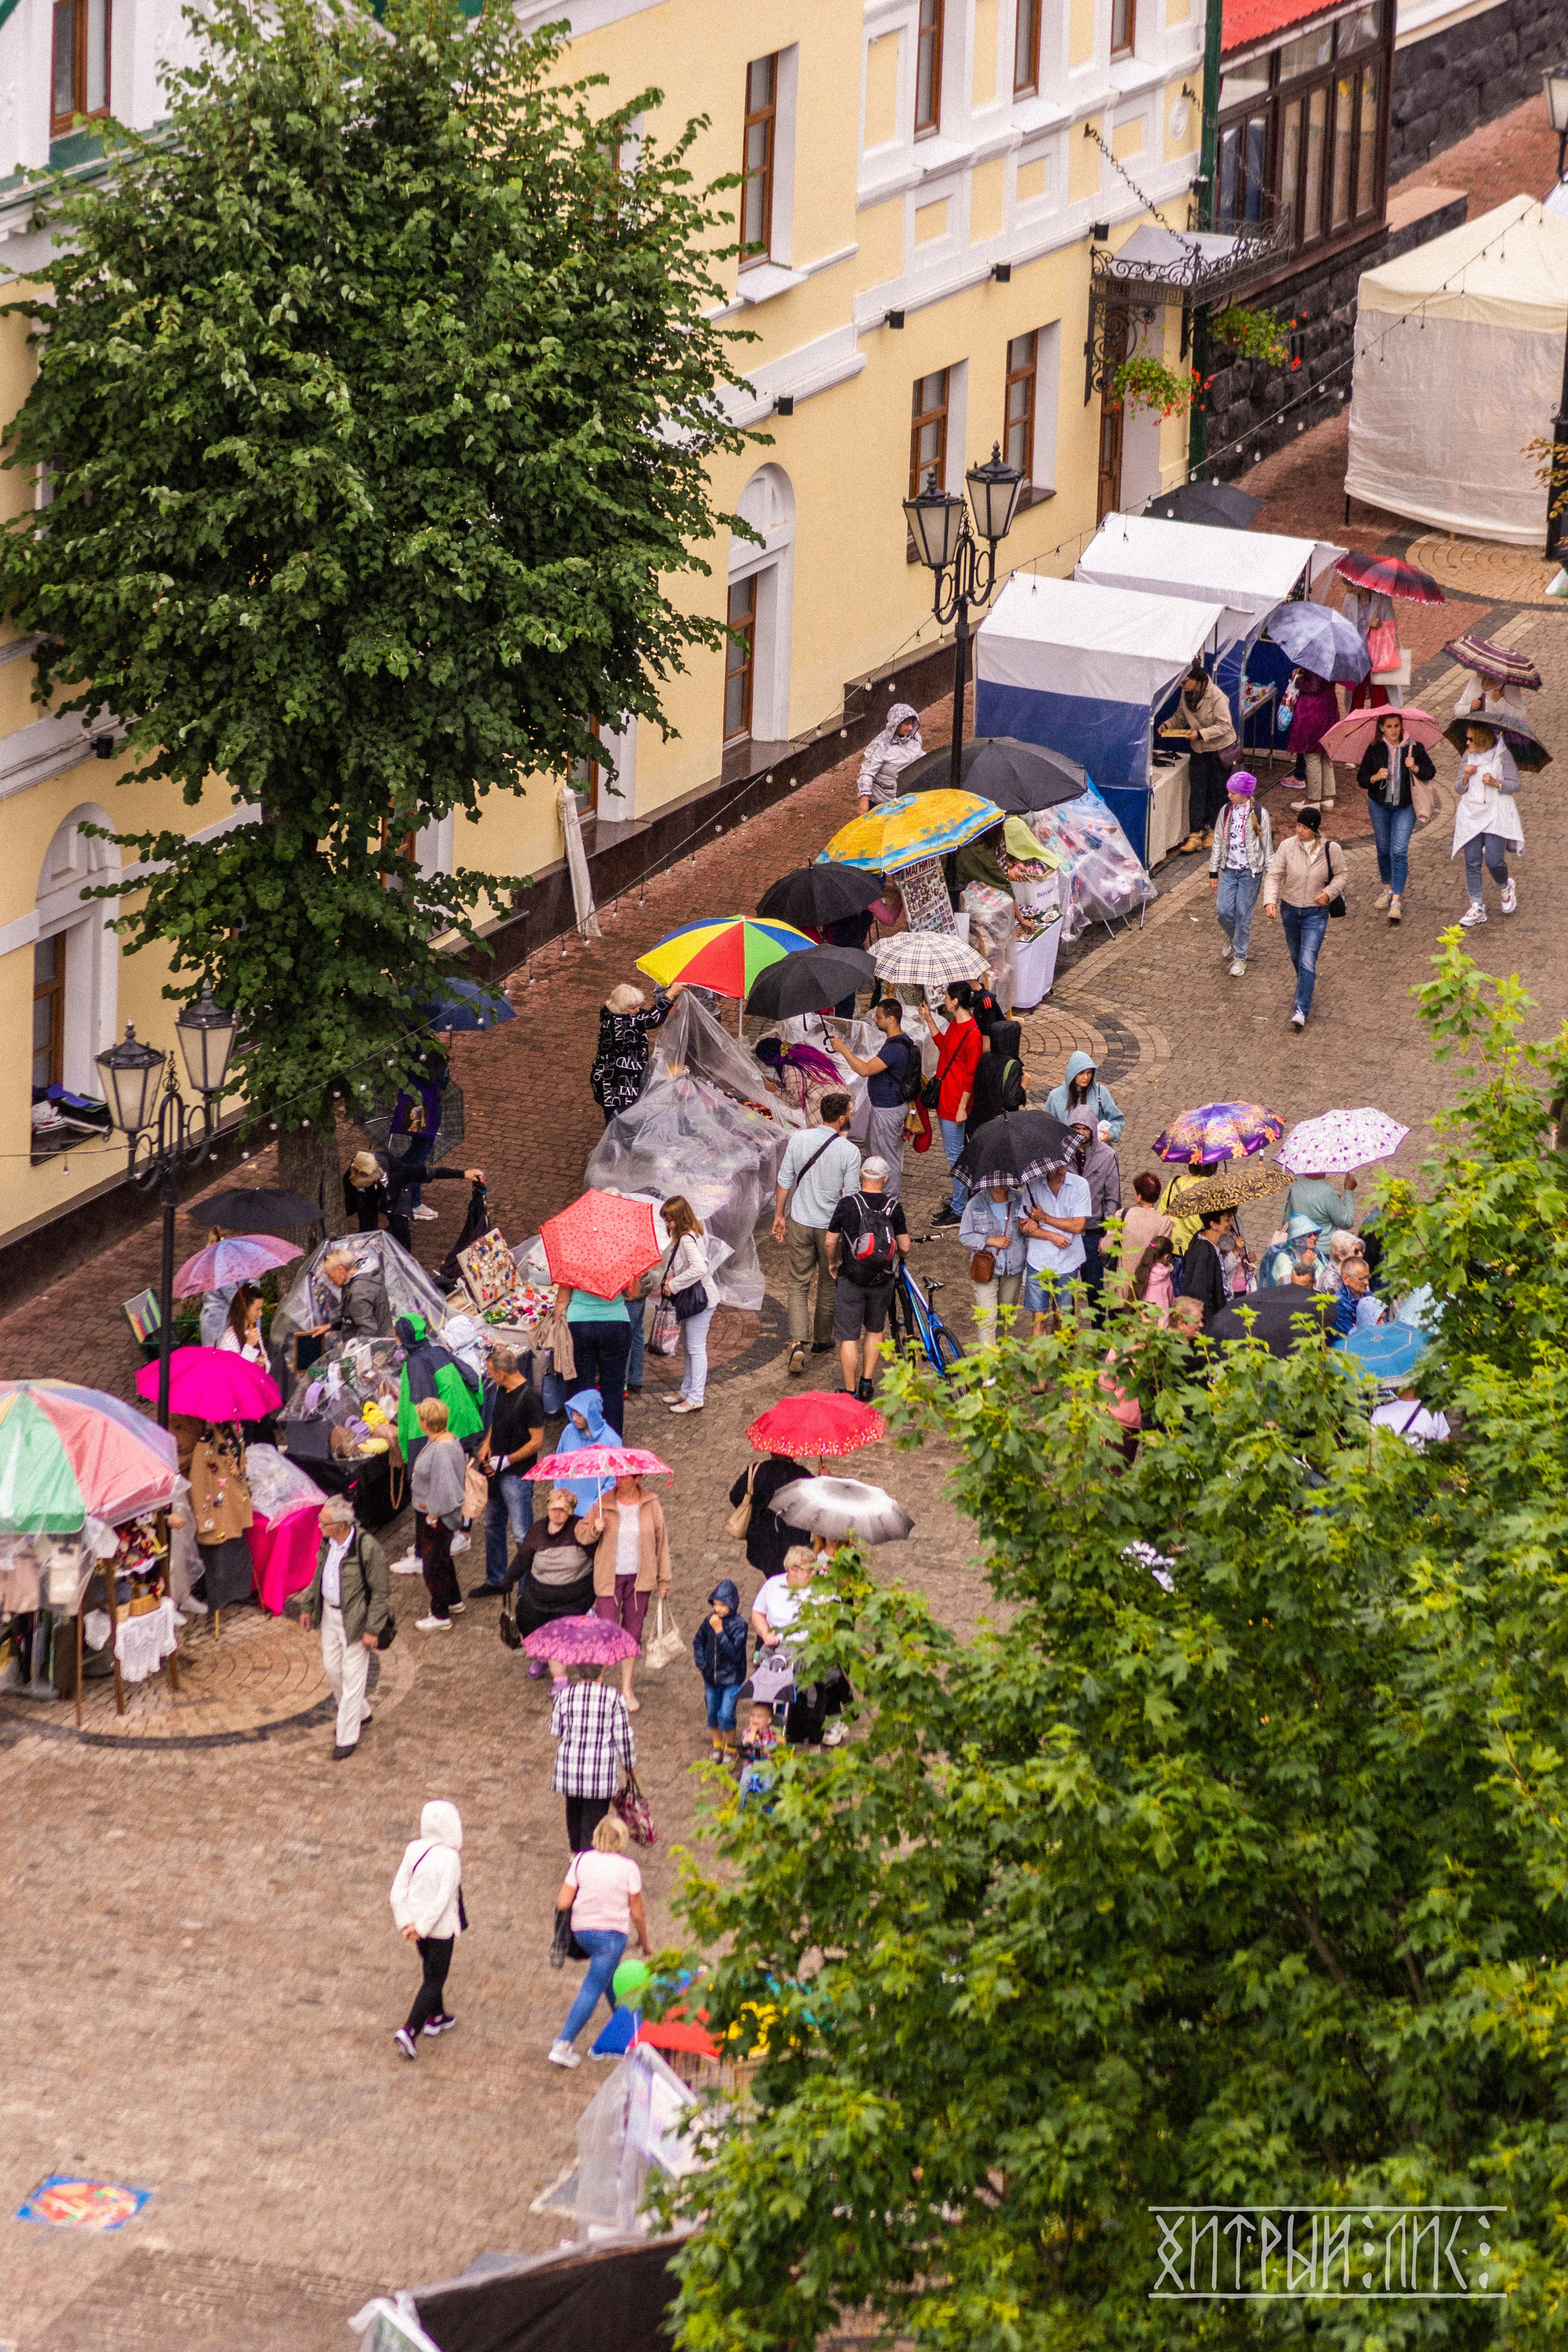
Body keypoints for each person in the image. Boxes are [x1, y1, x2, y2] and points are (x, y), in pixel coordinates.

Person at [548, 1814, 651, 2070]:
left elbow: (563, 1902)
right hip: (612, 1938)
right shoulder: (629, 1868)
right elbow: (637, 1912)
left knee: (608, 1977)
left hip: (582, 1933)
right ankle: (563, 2044)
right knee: (593, 1987)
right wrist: (644, 1941)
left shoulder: (581, 1860)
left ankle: (629, 2029)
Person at [772, 1092, 862, 1376]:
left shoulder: (799, 1139)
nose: (852, 1115)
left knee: (798, 1284)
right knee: (829, 1282)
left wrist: (779, 1216)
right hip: (830, 1228)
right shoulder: (850, 1152)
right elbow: (852, 1197)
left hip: (799, 1221)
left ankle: (798, 1342)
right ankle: (822, 1341)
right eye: (850, 1111)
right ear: (841, 1118)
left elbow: (785, 1180)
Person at [298, 1494, 390, 1759]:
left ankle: (347, 1735)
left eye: (324, 1523)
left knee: (352, 1679)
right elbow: (319, 1576)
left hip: (356, 1621)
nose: (319, 1526)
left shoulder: (367, 1547)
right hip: (330, 1616)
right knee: (331, 1667)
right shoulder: (328, 1543)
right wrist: (308, 1606)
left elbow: (381, 1592)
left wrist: (372, 1628)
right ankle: (360, 1711)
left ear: (341, 1525)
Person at [581, 1472, 672, 1713]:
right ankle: (598, 1684)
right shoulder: (605, 1502)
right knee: (606, 1631)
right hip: (609, 1578)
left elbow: (662, 1543)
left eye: (624, 1477)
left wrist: (664, 1580)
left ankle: (627, 1688)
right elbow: (581, 1533)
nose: (618, 1480)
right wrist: (594, 1529)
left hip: (639, 1579)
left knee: (632, 1633)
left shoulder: (651, 1505)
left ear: (637, 1477)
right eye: (616, 1476)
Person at [826, 1155, 911, 1400]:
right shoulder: (893, 1207)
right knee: (875, 1329)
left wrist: (834, 1263)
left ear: (861, 1175)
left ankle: (850, 1391)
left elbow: (830, 1241)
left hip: (851, 1278)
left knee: (848, 1336)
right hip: (882, 1279)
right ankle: (866, 1383)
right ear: (885, 1179)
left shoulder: (847, 1204)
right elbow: (905, 1247)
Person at [751, 1546, 848, 1750]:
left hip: (809, 1653)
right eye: (809, 1570)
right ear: (792, 1569)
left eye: (814, 1569)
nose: (814, 1573)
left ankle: (812, 1743)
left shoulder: (820, 1588)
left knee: (811, 1702)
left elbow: (836, 1616)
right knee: (776, 1699)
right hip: (780, 1652)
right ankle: (777, 1741)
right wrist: (766, 1635)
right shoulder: (773, 1585)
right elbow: (758, 1613)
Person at [390, 1800, 466, 2060]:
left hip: (415, 1926)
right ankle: (410, 2030)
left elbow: (397, 1891)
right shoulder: (451, 1858)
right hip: (439, 1931)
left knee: (430, 1968)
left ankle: (438, 2016)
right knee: (434, 1979)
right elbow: (443, 1900)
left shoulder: (414, 1849)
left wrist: (407, 1924)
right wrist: (422, 1928)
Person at [1262, 806, 1345, 1030]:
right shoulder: (1287, 847)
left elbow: (1342, 875)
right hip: (1290, 909)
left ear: (1314, 829)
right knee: (1296, 955)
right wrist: (1270, 901)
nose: (1299, 830)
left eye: (1304, 827)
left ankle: (1300, 1009)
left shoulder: (1331, 849)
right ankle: (1305, 986)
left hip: (1315, 914)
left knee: (1308, 959)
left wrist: (1329, 893)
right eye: (1298, 825)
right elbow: (1274, 875)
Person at [502, 1487, 598, 1679]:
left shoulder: (580, 1530)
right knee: (528, 1620)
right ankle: (543, 1657)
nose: (557, 1513)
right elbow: (524, 1558)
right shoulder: (538, 1530)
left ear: (570, 1512)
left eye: (562, 1510)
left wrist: (597, 1531)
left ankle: (560, 1678)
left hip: (573, 1598)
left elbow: (599, 1560)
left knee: (558, 1633)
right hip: (538, 1595)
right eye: (554, 1509)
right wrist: (509, 1578)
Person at [472, 1346, 545, 1596]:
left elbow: (537, 1441)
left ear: (503, 1373)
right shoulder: (503, 1390)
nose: (490, 1376)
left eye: (492, 1372)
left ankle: (527, 1591)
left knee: (522, 1534)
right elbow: (497, 1421)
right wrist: (487, 1444)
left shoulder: (531, 1398)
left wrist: (508, 1461)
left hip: (517, 1474)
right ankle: (496, 1580)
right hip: (496, 1472)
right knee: (493, 1524)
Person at [1356, 712, 1434, 927]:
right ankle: (1387, 888)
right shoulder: (1374, 749)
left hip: (1405, 807)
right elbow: (1362, 779)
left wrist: (1415, 767)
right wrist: (1375, 777)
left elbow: (1430, 772)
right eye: (1389, 726)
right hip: (1379, 805)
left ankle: (1397, 900)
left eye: (1397, 726)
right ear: (1381, 727)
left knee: (1398, 851)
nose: (1394, 730)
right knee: (1383, 849)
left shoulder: (1414, 747)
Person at [551, 1662, 637, 1852]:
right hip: (600, 1774)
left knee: (573, 1811)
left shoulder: (564, 1696)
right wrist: (630, 1767)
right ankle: (587, 1859)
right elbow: (623, 1737)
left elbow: (556, 1730)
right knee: (594, 1821)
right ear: (603, 1670)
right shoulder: (614, 1698)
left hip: (570, 1769)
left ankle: (575, 1853)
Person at [837, 1002, 919, 1200]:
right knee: (876, 1151)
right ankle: (877, 1193)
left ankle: (890, 1201)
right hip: (885, 1107)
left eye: (879, 1017)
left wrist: (842, 1049)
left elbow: (865, 1070)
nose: (875, 1020)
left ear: (891, 1019)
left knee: (888, 1158)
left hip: (888, 1110)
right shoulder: (899, 1041)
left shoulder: (895, 1049)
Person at [1451, 720, 1523, 927]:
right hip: (1471, 814)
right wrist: (1465, 776)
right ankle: (1477, 906)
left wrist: (1496, 783)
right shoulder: (1468, 756)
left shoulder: (1503, 755)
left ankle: (1505, 887)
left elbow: (1516, 784)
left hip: (1496, 813)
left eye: (1471, 739)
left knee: (1493, 860)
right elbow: (1458, 788)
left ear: (1482, 737)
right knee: (1472, 861)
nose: (1467, 742)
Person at [923, 985, 984, 1228]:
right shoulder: (956, 1025)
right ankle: (961, 1199)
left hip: (954, 1103)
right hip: (945, 1099)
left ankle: (959, 1210)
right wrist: (929, 1020)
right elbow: (945, 1048)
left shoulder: (972, 1034)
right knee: (956, 1154)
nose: (944, 1001)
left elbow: (971, 1076)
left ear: (956, 1001)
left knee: (956, 1157)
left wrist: (962, 1107)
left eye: (946, 998)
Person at [395, 1311, 483, 1470]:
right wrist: (477, 1410)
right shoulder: (439, 1352)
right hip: (467, 1428)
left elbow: (415, 1411)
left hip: (444, 1437)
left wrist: (412, 1455)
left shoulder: (414, 1365)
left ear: (403, 1339)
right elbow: (473, 1380)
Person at [1166, 659, 1238, 850]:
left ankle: (1215, 831)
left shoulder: (1216, 696)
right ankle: (1195, 834)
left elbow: (1226, 725)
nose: (1183, 686)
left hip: (1220, 749)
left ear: (1197, 680)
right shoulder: (1186, 693)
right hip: (1199, 749)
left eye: (1185, 682)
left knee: (1217, 791)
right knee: (1197, 792)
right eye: (1181, 683)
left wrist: (1200, 734)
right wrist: (1168, 725)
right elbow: (1181, 716)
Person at [1207, 771, 1272, 978]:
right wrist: (1213, 869)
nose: (1229, 796)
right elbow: (1218, 840)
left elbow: (1267, 846)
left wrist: (1272, 875)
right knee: (1223, 911)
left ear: (1244, 794)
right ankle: (1233, 937)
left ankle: (1240, 957)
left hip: (1250, 874)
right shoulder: (1226, 811)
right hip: (1228, 870)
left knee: (1243, 914)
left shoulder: (1261, 814)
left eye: (1232, 792)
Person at [657, 1194, 718, 1416]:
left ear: (680, 1219)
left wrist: (673, 1285)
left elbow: (699, 1269)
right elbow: (682, 1264)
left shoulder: (686, 1239)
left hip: (701, 1301)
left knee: (695, 1348)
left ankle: (695, 1397)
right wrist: (672, 1275)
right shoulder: (686, 1236)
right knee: (689, 1345)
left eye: (670, 1220)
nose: (667, 1225)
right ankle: (687, 1390)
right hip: (697, 1300)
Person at [590, 981, 684, 1124]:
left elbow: (649, 1019)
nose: (638, 1010)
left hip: (620, 1078)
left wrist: (666, 1012)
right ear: (622, 1009)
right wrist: (670, 994)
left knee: (625, 1116)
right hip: (616, 1082)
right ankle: (616, 1144)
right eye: (633, 1008)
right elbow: (650, 1019)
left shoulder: (619, 1016)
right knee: (619, 1120)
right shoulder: (620, 1024)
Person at [411, 1397, 467, 1631]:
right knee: (443, 1560)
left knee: (433, 1565)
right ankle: (454, 1601)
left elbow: (445, 1488)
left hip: (436, 1517)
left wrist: (434, 1514)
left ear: (425, 1422)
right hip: (436, 1513)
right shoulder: (447, 1441)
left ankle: (440, 1614)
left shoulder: (442, 1450)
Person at [1019, 1156, 1091, 1332]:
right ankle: (1040, 1360)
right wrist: (1051, 1236)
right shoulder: (1033, 1186)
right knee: (1039, 1318)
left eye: (1064, 1166)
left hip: (1068, 1262)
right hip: (1039, 1261)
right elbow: (1024, 1226)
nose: (1061, 1171)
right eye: (1056, 1167)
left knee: (1062, 1318)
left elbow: (1077, 1226)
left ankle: (1059, 1356)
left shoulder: (1080, 1185)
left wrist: (1044, 1219)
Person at [564, 1278, 635, 1441]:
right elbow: (633, 1294)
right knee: (613, 1388)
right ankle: (611, 1442)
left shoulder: (574, 1260)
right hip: (616, 1324)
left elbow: (562, 1301)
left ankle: (580, 1440)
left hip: (580, 1325)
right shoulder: (619, 1259)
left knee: (581, 1386)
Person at [959, 1179, 1026, 1345]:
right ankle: (989, 1368)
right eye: (998, 1180)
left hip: (1013, 1269)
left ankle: (999, 1356)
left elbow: (1029, 1230)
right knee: (988, 1318)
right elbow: (965, 1236)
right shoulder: (975, 1203)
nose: (1002, 1184)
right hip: (985, 1271)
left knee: (1005, 1316)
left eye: (1006, 1180)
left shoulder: (1020, 1199)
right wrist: (990, 1240)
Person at [726, 1453, 808, 1583]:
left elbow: (735, 1495)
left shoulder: (758, 1471)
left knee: (773, 1577)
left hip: (763, 1542)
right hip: (794, 1543)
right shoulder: (804, 1477)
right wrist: (823, 1478)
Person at [693, 1577, 748, 1757]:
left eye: (722, 1605)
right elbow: (698, 1641)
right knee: (712, 1712)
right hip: (711, 1677)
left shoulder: (739, 1625)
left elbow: (734, 1653)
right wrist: (702, 1664)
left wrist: (719, 1631)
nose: (717, 1609)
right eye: (715, 1604)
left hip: (732, 1679)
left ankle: (731, 1746)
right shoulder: (709, 1620)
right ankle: (717, 1744)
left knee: (726, 1714)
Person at [1068, 1115, 1121, 1303]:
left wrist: (1109, 1233)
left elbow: (1112, 1196)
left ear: (1092, 1129)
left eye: (1085, 1128)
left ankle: (1098, 1329)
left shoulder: (1107, 1156)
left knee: (1095, 1289)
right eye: (1076, 1128)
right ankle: (1068, 1331)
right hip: (1067, 1232)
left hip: (1093, 1233)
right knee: (1067, 1289)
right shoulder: (1063, 1153)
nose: (1081, 1133)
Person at [554, 1388, 622, 1518]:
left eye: (579, 1415)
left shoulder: (612, 1441)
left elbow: (613, 1479)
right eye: (573, 1414)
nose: (574, 1419)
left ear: (591, 1415)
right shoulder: (568, 1432)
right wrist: (559, 1492)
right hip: (566, 1506)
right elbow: (558, 1463)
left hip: (593, 1511)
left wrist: (596, 1504)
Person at [1284, 667, 1342, 811]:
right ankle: (1327, 797)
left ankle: (1313, 799)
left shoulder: (1318, 660)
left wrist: (1298, 679)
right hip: (1329, 707)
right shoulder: (1332, 659)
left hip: (1314, 711)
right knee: (1324, 754)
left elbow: (1314, 686)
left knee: (1312, 756)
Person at [755, 1035, 844, 1128]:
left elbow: (795, 1102)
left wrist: (775, 1090)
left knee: (831, 1140)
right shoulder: (797, 1049)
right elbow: (802, 1082)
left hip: (831, 1113)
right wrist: (779, 1085)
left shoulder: (790, 1069)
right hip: (842, 1097)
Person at [1044, 1050, 1125, 1142]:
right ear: (1073, 1074)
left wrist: (1111, 1134)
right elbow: (1048, 1127)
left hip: (1095, 1150)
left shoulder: (1101, 1092)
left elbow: (1117, 1119)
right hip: (1067, 1151)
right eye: (1081, 1073)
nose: (1086, 1077)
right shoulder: (1055, 1096)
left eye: (1089, 1073)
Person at [856, 702, 923, 812]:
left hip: (908, 799)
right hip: (883, 802)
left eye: (912, 723)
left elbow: (919, 756)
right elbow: (867, 773)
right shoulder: (880, 745)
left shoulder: (916, 739)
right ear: (896, 724)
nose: (910, 728)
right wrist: (864, 800)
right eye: (906, 724)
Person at [965, 1018, 1027, 1136]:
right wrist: (1024, 1084)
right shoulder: (1013, 1065)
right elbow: (1011, 1101)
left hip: (979, 1121)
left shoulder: (984, 1058)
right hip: (1000, 1125)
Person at [317, 1247, 389, 1341]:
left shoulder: (358, 1291)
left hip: (371, 1350)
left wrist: (352, 1350)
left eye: (330, 1275)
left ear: (340, 1269)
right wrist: (331, 1326)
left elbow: (368, 1331)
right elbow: (353, 1316)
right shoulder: (360, 1281)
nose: (330, 1280)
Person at [1178, 1208, 1234, 1326]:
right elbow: (1200, 1293)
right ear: (1213, 1224)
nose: (1232, 1223)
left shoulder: (1205, 1243)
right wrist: (1209, 1324)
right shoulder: (1204, 1252)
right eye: (1227, 1220)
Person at [1281, 1169, 1357, 1248]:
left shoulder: (1294, 1183)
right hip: (1323, 1250)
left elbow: (1287, 1217)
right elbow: (1347, 1222)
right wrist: (1349, 1191)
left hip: (1299, 1246)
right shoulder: (1328, 1193)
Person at [1119, 1172, 1174, 1267]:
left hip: (1124, 1275)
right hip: (1148, 1277)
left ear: (1139, 1197)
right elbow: (1163, 1252)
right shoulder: (1164, 1222)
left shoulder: (1123, 1215)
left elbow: (1108, 1245)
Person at [1371, 1386, 1451, 1449]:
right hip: (1428, 1467)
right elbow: (1444, 1446)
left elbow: (1372, 1446)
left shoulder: (1380, 1412)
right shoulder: (1434, 1410)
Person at [1333, 1254, 1384, 1336]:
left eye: (1367, 1277)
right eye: (1361, 1279)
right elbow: (1351, 1336)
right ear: (1346, 1279)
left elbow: (1383, 1322)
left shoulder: (1369, 1296)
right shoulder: (1339, 1304)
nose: (1367, 1282)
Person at [217, 1283, 265, 1362]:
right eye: (257, 1309)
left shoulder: (254, 1331)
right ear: (245, 1309)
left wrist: (261, 1364)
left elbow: (266, 1360)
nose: (261, 1313)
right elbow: (234, 1371)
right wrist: (249, 1346)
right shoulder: (230, 1339)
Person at [1314, 1229, 1367, 1295]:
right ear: (1341, 1256)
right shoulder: (1331, 1282)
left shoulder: (1349, 1271)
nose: (1361, 1255)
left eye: (1361, 1250)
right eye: (1356, 1252)